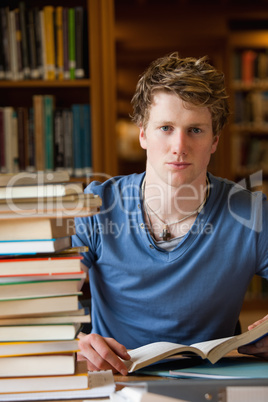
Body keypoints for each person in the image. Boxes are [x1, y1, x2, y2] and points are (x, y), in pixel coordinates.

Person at [72, 53, 268, 375]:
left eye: (195, 131)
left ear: (214, 140)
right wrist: (74, 340)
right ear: (143, 135)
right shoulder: (98, 206)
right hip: (117, 381)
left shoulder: (251, 213)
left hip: (215, 382)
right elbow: (38, 300)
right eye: (165, 127)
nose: (179, 146)